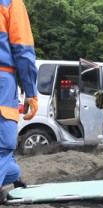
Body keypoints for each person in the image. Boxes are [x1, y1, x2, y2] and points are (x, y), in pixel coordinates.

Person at [0, 0, 39, 205]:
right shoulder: (11, 2)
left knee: (6, 155)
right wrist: (31, 92)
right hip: (2, 78)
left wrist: (14, 179)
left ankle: (11, 176)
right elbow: (22, 50)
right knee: (3, 144)